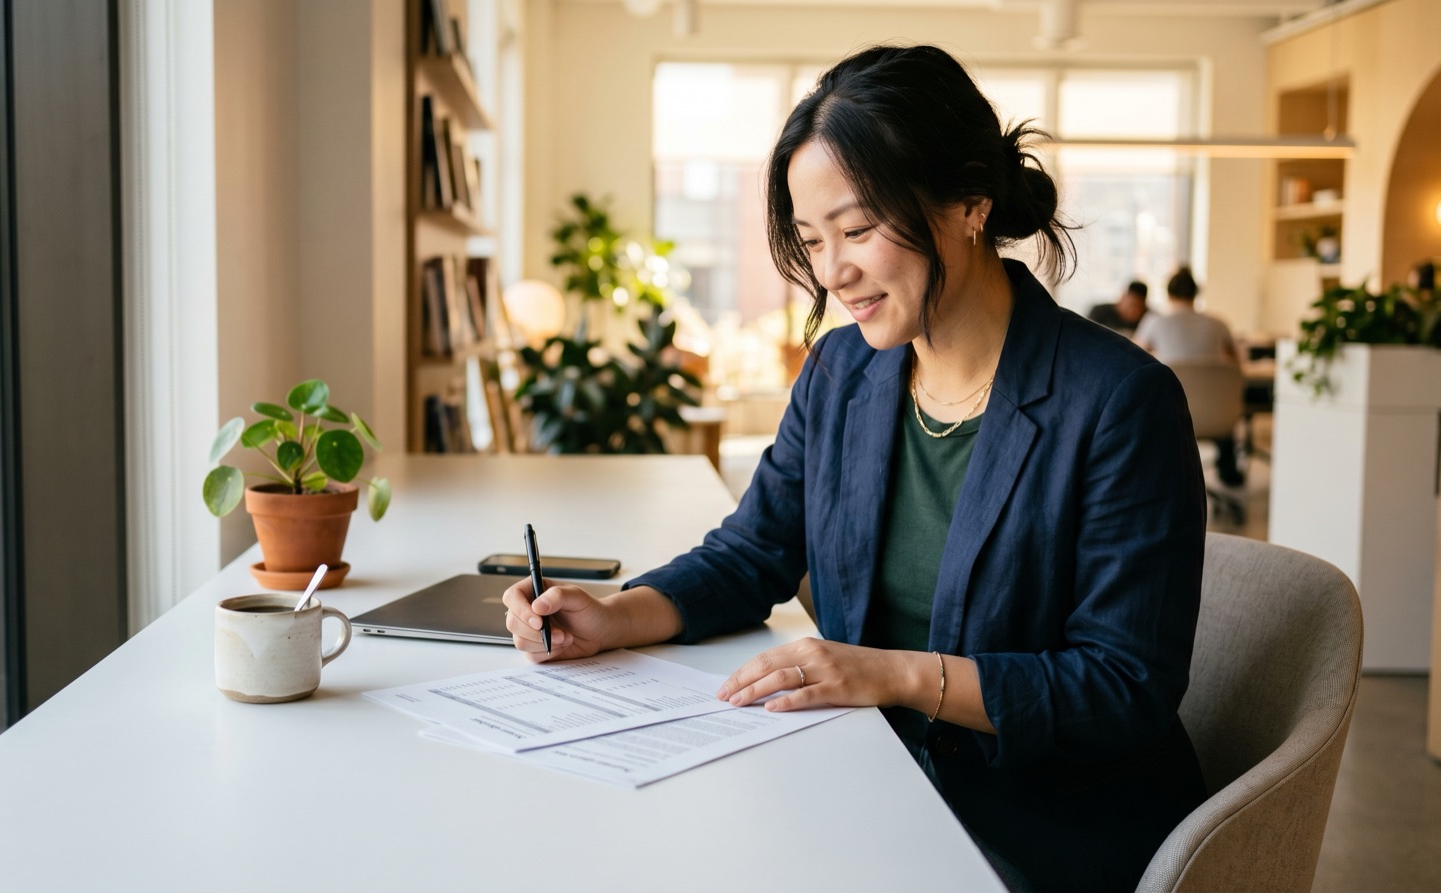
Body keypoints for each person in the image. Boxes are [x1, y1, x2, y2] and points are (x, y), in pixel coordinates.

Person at [504, 45, 1206, 893]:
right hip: (864, 783)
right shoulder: (843, 373)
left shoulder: (1119, 400)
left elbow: (1124, 687)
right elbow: (752, 551)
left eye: (858, 229)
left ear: (969, 203)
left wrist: (889, 674)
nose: (832, 271)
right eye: (810, 240)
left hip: (1035, 831)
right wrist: (617, 615)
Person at [1134, 266, 1245, 487]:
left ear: (1168, 294)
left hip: (1170, 414)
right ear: (1196, 294)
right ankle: (1229, 473)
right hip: (1218, 418)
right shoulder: (1218, 323)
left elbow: (1134, 361)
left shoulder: (1155, 323)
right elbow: (1237, 364)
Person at [1087, 280, 1151, 335]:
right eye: (1131, 305)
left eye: (1138, 307)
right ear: (1122, 298)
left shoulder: (1149, 318)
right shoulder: (1100, 312)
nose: (1133, 311)